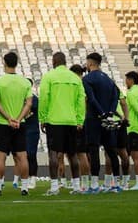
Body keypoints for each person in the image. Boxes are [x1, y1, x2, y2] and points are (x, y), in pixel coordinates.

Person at [38, 52, 85, 196]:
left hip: (54, 120)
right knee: (72, 154)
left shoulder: (49, 77)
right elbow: (81, 100)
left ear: (54, 62)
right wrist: (79, 120)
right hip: (71, 121)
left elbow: (44, 98)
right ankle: (76, 186)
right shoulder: (75, 78)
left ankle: (54, 187)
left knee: (53, 153)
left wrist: (43, 118)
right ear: (65, 62)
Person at [0, 52, 33, 197]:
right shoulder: (25, 82)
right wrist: (19, 119)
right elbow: (29, 103)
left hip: (3, 123)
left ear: (4, 63)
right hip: (20, 124)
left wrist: (9, 118)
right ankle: (25, 187)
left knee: (1, 157)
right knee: (22, 156)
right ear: (17, 63)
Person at [82, 52, 121, 193]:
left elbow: (91, 99)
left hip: (94, 118)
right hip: (108, 118)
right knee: (111, 151)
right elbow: (116, 96)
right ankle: (116, 184)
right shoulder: (108, 79)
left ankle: (94, 185)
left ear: (90, 63)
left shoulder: (87, 79)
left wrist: (101, 113)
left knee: (94, 151)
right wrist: (110, 113)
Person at [69, 64, 90, 191]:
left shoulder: (77, 84)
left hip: (78, 121)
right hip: (86, 121)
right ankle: (86, 182)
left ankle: (83, 183)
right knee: (85, 154)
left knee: (79, 154)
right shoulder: (86, 83)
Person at [24, 78, 40, 190]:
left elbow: (30, 111)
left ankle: (33, 178)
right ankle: (26, 178)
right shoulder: (21, 99)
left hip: (32, 130)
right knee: (24, 155)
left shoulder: (34, 99)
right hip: (23, 130)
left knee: (31, 154)